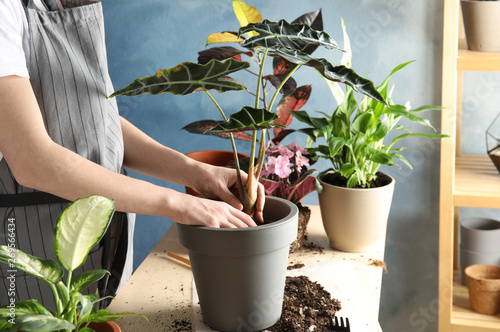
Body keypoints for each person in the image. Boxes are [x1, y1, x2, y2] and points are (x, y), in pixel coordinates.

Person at [0, 0, 264, 310]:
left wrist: (196, 173)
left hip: (99, 228)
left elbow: (96, 120)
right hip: (31, 231)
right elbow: (32, 161)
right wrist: (179, 203)